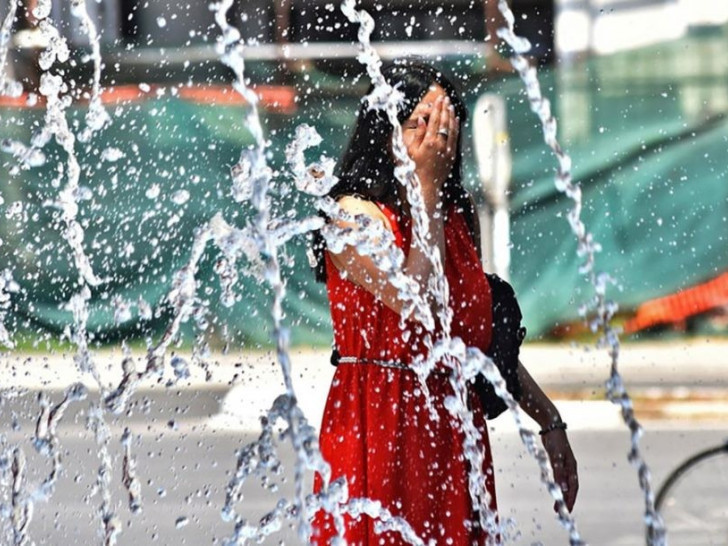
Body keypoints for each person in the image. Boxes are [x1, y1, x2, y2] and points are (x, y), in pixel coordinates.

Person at [310, 60, 578, 545]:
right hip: (378, 426)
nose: (438, 140)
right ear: (385, 131)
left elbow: (476, 343)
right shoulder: (353, 216)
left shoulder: (455, 214)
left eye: (447, 126)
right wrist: (427, 192)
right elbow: (421, 303)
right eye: (422, 123)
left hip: (452, 429)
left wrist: (549, 421)